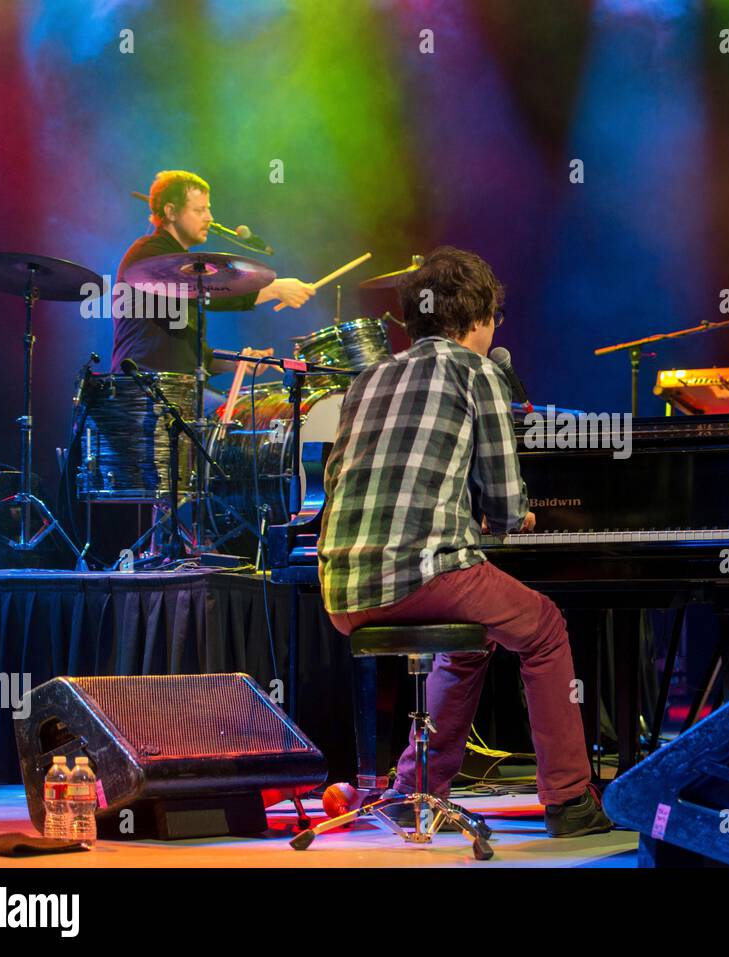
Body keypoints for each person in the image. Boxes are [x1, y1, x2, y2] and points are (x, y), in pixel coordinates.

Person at [318, 246, 612, 837]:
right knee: (545, 627)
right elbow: (504, 505)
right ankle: (571, 801)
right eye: (494, 319)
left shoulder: (367, 378)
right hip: (422, 573)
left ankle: (416, 789)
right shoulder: (478, 371)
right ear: (479, 318)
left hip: (342, 589)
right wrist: (520, 519)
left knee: (471, 644)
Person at [111, 169, 315, 413]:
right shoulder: (151, 255)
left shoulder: (175, 261)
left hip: (176, 387)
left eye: (208, 208)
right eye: (199, 210)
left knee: (250, 416)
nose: (209, 217)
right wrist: (274, 289)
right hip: (146, 389)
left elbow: (187, 352)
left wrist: (240, 362)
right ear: (171, 212)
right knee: (248, 419)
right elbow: (207, 292)